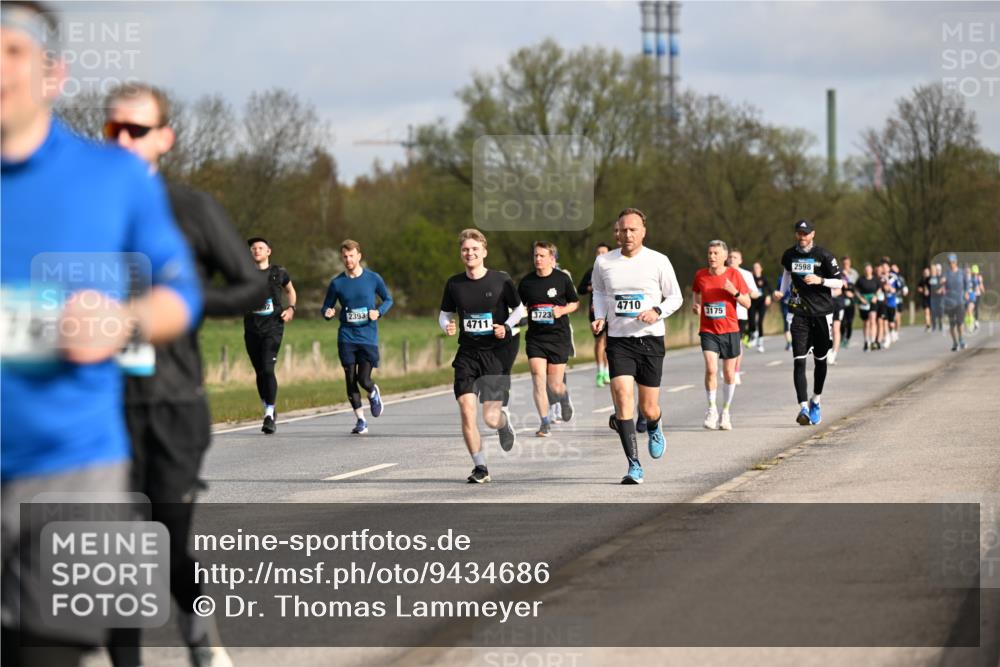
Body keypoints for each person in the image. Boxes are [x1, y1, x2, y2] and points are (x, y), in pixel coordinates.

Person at [2, 4, 202, 664]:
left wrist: (124, 318)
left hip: (72, 471)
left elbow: (181, 294)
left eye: (13, 52)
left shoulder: (111, 178)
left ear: (53, 74)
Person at [103, 82, 265, 667]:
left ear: (163, 139)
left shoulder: (190, 209)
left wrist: (185, 302)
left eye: (136, 130)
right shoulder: (82, 207)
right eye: (112, 128)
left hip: (173, 402)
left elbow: (251, 285)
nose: (122, 139)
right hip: (101, 405)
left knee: (165, 538)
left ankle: (197, 627)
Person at [591, 208, 683, 484]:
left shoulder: (658, 261)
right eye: (623, 230)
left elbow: (675, 297)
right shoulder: (604, 262)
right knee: (622, 397)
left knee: (649, 408)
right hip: (619, 342)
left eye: (633, 229)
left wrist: (656, 310)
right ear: (616, 232)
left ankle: (654, 425)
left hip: (650, 340)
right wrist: (599, 316)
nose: (628, 234)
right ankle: (634, 465)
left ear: (643, 231)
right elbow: (598, 291)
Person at [439, 229, 524, 483]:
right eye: (465, 249)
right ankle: (480, 467)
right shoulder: (454, 284)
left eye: (475, 249)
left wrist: (506, 326)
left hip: (494, 355)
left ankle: (503, 423)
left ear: (484, 252)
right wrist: (447, 326)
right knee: (466, 410)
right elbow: (444, 314)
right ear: (460, 253)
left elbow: (519, 309)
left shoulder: (501, 280)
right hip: (467, 354)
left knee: (490, 417)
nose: (470, 253)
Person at [774, 220, 843, 426]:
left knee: (820, 361)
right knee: (799, 361)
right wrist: (782, 291)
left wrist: (820, 280)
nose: (802, 237)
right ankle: (803, 407)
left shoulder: (824, 256)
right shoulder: (789, 255)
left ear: (813, 234)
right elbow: (787, 274)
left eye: (805, 233)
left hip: (822, 314)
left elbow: (840, 282)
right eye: (799, 233)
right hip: (798, 314)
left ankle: (816, 400)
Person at [321, 240, 393, 434]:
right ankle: (361, 420)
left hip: (367, 337)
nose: (348, 260)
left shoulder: (373, 278)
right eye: (345, 256)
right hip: (346, 337)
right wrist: (327, 313)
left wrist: (379, 312)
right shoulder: (337, 283)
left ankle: (372, 391)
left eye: (351, 255)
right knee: (350, 379)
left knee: (363, 379)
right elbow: (326, 306)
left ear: (359, 256)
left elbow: (388, 299)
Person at [518, 242, 580, 437]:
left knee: (554, 385)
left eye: (542, 256)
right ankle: (545, 422)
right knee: (538, 378)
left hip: (558, 338)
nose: (537, 259)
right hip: (536, 338)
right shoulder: (526, 282)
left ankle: (564, 398)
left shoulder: (562, 279)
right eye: (535, 255)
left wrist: (561, 310)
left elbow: (575, 303)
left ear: (552, 259)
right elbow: (519, 306)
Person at [692, 241, 751, 430]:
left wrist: (734, 292)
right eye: (709, 253)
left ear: (725, 256)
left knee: (728, 373)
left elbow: (747, 303)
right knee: (711, 369)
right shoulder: (700, 275)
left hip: (730, 330)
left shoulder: (734, 275)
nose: (712, 257)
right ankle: (711, 410)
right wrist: (696, 305)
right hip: (708, 330)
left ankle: (725, 412)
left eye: (716, 253)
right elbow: (695, 292)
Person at [244, 238, 296, 434]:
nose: (257, 251)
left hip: (273, 327)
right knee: (259, 372)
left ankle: (268, 414)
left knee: (267, 368)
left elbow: (290, 291)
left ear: (268, 252)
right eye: (253, 249)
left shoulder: (278, 273)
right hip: (251, 329)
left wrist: (291, 309)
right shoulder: (245, 273)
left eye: (260, 248)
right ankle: (267, 406)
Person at [578, 242, 611, 386]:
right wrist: (592, 287)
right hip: (595, 311)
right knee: (599, 341)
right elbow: (580, 289)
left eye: (603, 252)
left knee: (610, 342)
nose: (600, 255)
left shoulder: (614, 270)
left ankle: (609, 370)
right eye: (598, 253)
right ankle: (600, 371)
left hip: (612, 311)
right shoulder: (591, 272)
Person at [726, 249, 759, 383]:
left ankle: (736, 371)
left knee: (737, 343)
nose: (732, 259)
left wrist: (748, 291)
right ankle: (728, 368)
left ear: (740, 261)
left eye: (735, 257)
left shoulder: (746, 274)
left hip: (740, 313)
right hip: (725, 313)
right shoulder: (722, 273)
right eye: (730, 257)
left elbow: (756, 294)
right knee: (726, 343)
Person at [939, 254, 968, 351]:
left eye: (953, 262)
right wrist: (942, 282)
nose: (951, 264)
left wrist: (967, 292)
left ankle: (961, 339)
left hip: (959, 301)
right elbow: (942, 282)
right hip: (949, 302)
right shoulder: (946, 273)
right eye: (950, 263)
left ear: (956, 262)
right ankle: (955, 343)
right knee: (952, 324)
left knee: (960, 323)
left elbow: (966, 284)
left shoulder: (961, 272)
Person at [854, 263, 881, 352]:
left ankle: (873, 341)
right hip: (864, 301)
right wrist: (861, 298)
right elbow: (856, 290)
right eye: (866, 270)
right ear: (864, 271)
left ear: (871, 270)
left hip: (873, 301)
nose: (868, 271)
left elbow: (879, 289)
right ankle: (866, 341)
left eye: (869, 269)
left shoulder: (875, 279)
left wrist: (875, 296)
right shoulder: (861, 280)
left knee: (873, 320)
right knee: (866, 322)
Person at [746, 262, 771, 353]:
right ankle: (753, 334)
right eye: (754, 267)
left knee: (760, 321)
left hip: (762, 303)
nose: (756, 269)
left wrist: (768, 296)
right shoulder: (750, 278)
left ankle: (760, 343)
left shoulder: (764, 279)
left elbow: (769, 290)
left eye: (757, 267)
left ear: (761, 269)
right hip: (752, 302)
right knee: (751, 320)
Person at [840, 256, 858, 349]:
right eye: (844, 264)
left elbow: (856, 287)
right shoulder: (838, 272)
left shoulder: (854, 273)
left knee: (850, 322)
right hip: (841, 299)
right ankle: (842, 337)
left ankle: (847, 338)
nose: (846, 265)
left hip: (851, 300)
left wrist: (853, 293)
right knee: (842, 321)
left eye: (847, 263)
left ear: (850, 263)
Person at [917, 266, 933, 332]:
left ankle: (932, 323)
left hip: (932, 298)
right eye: (925, 272)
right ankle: (928, 325)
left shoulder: (932, 279)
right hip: (925, 298)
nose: (926, 273)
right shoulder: (922, 280)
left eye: (927, 272)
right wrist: (922, 290)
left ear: (929, 272)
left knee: (931, 312)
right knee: (926, 312)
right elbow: (918, 288)